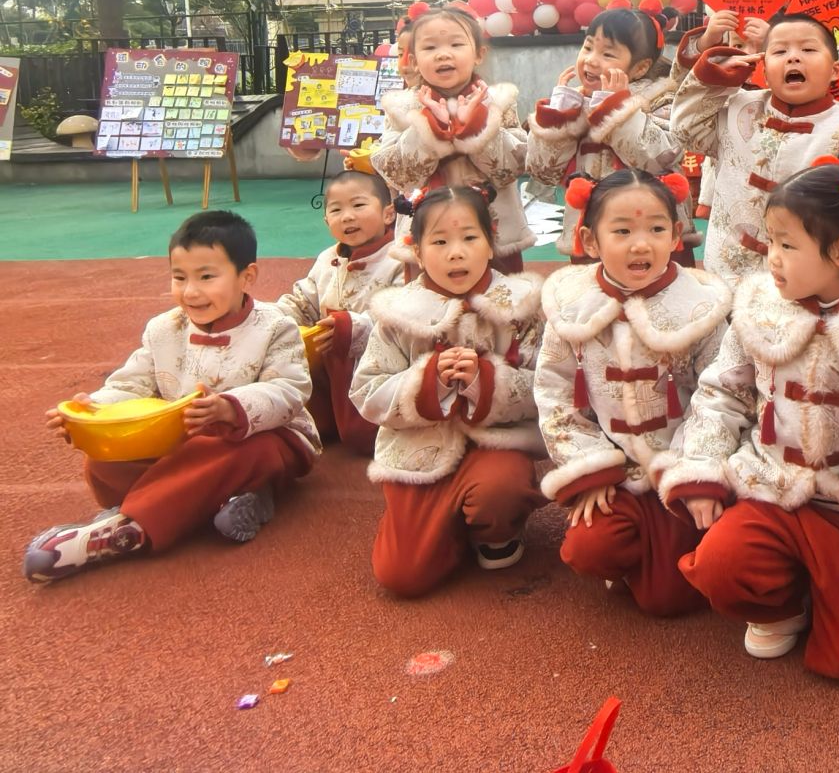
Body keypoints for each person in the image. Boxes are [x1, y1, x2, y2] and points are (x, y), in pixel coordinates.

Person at [672, 162, 839, 682]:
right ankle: (781, 604)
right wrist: (702, 469)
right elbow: (722, 392)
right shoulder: (760, 306)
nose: (772, 257)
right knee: (720, 563)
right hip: (771, 487)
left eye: (787, 245)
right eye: (770, 241)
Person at [26, 211, 318, 583]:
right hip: (177, 443)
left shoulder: (276, 326)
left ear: (247, 277)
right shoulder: (163, 329)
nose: (190, 291)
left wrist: (230, 409)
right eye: (179, 278)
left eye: (206, 277)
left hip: (254, 440)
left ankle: (132, 529)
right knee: (102, 461)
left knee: (249, 452)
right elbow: (131, 385)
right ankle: (233, 500)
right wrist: (92, 412)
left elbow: (290, 390)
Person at [534, 168, 729, 616]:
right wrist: (590, 468)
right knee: (587, 549)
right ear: (590, 240)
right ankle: (632, 552)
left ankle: (659, 556)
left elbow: (718, 396)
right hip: (616, 473)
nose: (641, 245)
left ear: (676, 235)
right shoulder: (570, 307)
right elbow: (554, 393)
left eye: (656, 230)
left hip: (678, 467)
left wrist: (695, 471)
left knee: (667, 601)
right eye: (622, 231)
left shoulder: (701, 308)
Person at [351, 185, 545, 597]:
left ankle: (496, 529)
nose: (456, 253)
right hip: (418, 450)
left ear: (491, 242)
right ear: (417, 252)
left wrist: (486, 382)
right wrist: (427, 381)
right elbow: (366, 391)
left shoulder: (522, 307)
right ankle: (448, 530)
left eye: (470, 238)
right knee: (402, 577)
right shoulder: (398, 313)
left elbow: (549, 385)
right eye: (439, 242)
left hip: (495, 446)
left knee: (501, 489)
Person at [668, 9, 839, 285]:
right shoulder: (737, 107)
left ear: (835, 70)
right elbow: (684, 131)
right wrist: (717, 79)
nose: (793, 57)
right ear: (763, 69)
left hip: (806, 277)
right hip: (727, 270)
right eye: (779, 51)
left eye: (808, 49)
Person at [374, 5, 534, 269]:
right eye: (430, 48)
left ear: (479, 54)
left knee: (500, 292)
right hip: (427, 233)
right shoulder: (402, 108)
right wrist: (430, 125)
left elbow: (510, 169)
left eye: (456, 44)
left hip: (493, 231)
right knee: (428, 294)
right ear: (413, 61)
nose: (443, 54)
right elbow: (399, 175)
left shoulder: (498, 102)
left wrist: (475, 126)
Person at [526, 6, 684, 253]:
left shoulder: (660, 100)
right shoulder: (575, 102)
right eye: (588, 47)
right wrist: (558, 116)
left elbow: (659, 159)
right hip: (589, 232)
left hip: (644, 235)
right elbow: (542, 171)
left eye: (608, 54)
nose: (591, 59)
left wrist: (615, 110)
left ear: (640, 68)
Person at [276, 170, 404, 455]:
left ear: (388, 213)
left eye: (358, 205)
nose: (347, 216)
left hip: (376, 365)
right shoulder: (327, 259)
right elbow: (302, 301)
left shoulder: (399, 259)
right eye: (336, 210)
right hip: (329, 366)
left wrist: (353, 327)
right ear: (326, 221)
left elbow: (401, 315)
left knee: (363, 437)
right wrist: (272, 319)